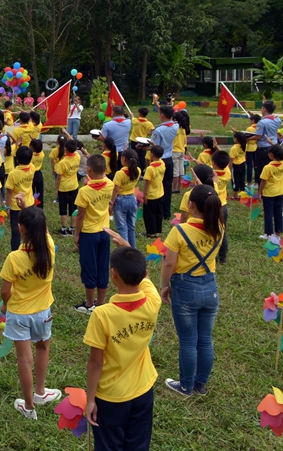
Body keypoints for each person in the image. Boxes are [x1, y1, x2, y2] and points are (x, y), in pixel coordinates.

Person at [84, 243, 160, 450]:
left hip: (111, 397)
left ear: (113, 274)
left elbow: (95, 362)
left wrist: (90, 400)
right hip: (143, 390)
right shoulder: (153, 301)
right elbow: (146, 279)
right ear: (144, 272)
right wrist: (128, 248)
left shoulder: (102, 314)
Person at [160, 184, 222, 397]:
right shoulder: (219, 228)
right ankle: (200, 385)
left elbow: (169, 264)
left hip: (185, 288)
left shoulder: (180, 231)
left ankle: (186, 386)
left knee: (188, 340)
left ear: (191, 205)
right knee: (205, 339)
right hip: (210, 287)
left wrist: (164, 286)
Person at [0, 201, 60, 420]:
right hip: (43, 312)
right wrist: (29, 210)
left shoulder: (14, 258)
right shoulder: (50, 248)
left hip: (19, 314)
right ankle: (41, 392)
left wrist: (5, 305)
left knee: (24, 360)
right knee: (43, 348)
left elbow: (5, 291)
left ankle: (28, 406)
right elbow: (42, 230)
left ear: (20, 229)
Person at [74, 155, 115, 314]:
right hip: (105, 232)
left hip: (89, 234)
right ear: (105, 169)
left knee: (89, 267)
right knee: (103, 266)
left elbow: (81, 216)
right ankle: (100, 302)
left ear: (88, 170)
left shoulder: (84, 191)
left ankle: (89, 304)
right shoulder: (110, 184)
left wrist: (77, 234)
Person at [145, 106, 177, 220]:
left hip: (159, 159)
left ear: (162, 115)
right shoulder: (175, 126)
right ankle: (166, 212)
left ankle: (158, 210)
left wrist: (144, 147)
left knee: (157, 186)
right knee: (167, 186)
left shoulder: (158, 130)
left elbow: (155, 148)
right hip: (169, 158)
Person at [5, 147, 35, 251]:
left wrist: (7, 206)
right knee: (30, 229)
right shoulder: (32, 168)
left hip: (15, 206)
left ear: (17, 159)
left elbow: (9, 192)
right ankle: (31, 249)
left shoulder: (13, 174)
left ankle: (15, 252)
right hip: (29, 204)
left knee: (16, 231)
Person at [111, 149, 141, 249]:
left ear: (124, 159)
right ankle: (133, 249)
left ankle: (125, 250)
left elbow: (116, 190)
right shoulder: (138, 170)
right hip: (132, 199)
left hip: (120, 200)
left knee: (122, 228)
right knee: (131, 227)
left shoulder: (120, 174)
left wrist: (111, 202)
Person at [250, 101, 282, 182]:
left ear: (264, 109)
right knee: (272, 168)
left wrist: (247, 138)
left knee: (261, 170)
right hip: (274, 146)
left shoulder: (262, 122)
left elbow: (258, 136)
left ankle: (261, 189)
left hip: (263, 148)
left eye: (262, 108)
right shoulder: (277, 119)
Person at [54, 140, 80, 237]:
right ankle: (72, 229)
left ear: (65, 149)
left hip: (63, 188)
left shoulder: (62, 162)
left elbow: (59, 177)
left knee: (63, 208)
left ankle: (63, 229)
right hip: (74, 186)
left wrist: (56, 188)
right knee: (73, 208)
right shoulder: (78, 157)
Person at [258, 144, 283, 240]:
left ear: (271, 155)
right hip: (280, 192)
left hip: (269, 193)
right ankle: (278, 233)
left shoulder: (268, 167)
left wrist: (260, 192)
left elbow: (263, 181)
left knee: (268, 213)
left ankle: (268, 233)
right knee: (278, 212)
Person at [141, 145, 166, 238]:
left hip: (151, 195)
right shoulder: (162, 163)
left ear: (152, 155)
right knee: (158, 213)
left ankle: (151, 233)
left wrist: (145, 194)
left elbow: (147, 182)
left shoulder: (150, 168)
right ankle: (157, 231)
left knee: (149, 215)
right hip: (160, 193)